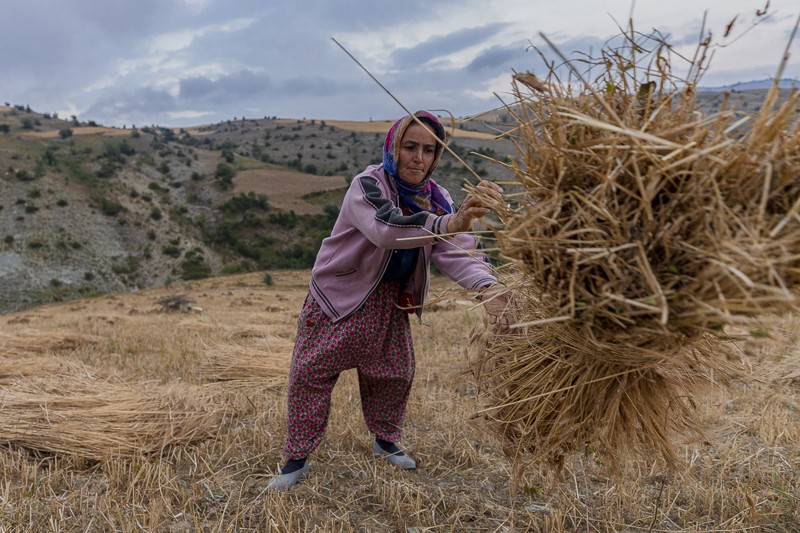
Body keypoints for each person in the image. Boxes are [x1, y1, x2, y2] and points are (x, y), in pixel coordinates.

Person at [267, 110, 510, 491]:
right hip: (340, 296)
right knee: (311, 374)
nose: (419, 157)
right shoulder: (368, 184)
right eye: (409, 146)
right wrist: (450, 223)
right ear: (392, 148)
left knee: (393, 375)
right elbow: (387, 229)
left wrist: (488, 288)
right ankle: (296, 458)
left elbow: (456, 250)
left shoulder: (438, 198)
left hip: (390, 300)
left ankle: (385, 441)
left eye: (429, 150)